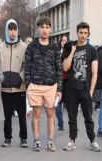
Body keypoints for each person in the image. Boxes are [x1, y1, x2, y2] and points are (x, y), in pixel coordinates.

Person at [24, 17, 62, 152]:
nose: (45, 30)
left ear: (50, 29)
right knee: (37, 113)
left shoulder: (55, 46)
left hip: (51, 85)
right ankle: (37, 140)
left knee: (51, 113)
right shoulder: (31, 47)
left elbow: (59, 67)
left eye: (47, 27)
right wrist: (28, 84)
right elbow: (27, 66)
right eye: (42, 27)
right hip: (35, 85)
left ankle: (50, 141)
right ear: (38, 29)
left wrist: (59, 88)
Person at [61, 22, 101, 152]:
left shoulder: (92, 50)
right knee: (72, 117)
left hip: (85, 88)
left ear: (88, 34)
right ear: (77, 33)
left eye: (85, 33)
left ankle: (92, 141)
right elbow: (65, 67)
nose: (83, 35)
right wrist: (72, 51)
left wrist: (91, 90)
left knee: (88, 117)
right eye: (81, 33)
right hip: (71, 88)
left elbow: (95, 72)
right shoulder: (69, 47)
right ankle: (72, 140)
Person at [0, 19, 28, 148]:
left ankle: (23, 138)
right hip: (5, 88)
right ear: (7, 31)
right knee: (7, 114)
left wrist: (20, 77)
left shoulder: (24, 47)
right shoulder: (0, 47)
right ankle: (7, 138)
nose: (12, 32)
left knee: (22, 114)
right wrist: (1, 78)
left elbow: (27, 65)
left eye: (14, 29)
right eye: (10, 29)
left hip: (19, 87)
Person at [57, 34, 69, 130]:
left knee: (70, 104)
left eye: (65, 40)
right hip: (58, 79)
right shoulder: (56, 52)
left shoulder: (69, 52)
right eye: (62, 40)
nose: (64, 42)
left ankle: (72, 123)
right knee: (58, 103)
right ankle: (60, 123)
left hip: (67, 80)